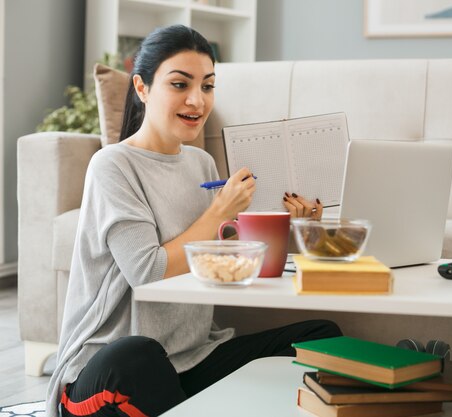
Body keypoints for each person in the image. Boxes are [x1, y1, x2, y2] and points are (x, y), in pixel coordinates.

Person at [47, 24, 341, 417]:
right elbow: (148, 272)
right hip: (107, 373)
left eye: (207, 86)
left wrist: (297, 224)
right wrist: (219, 210)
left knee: (322, 338)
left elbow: (232, 261)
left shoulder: (201, 163)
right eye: (180, 84)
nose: (197, 100)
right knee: (137, 356)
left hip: (192, 358)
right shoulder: (112, 166)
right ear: (142, 88)